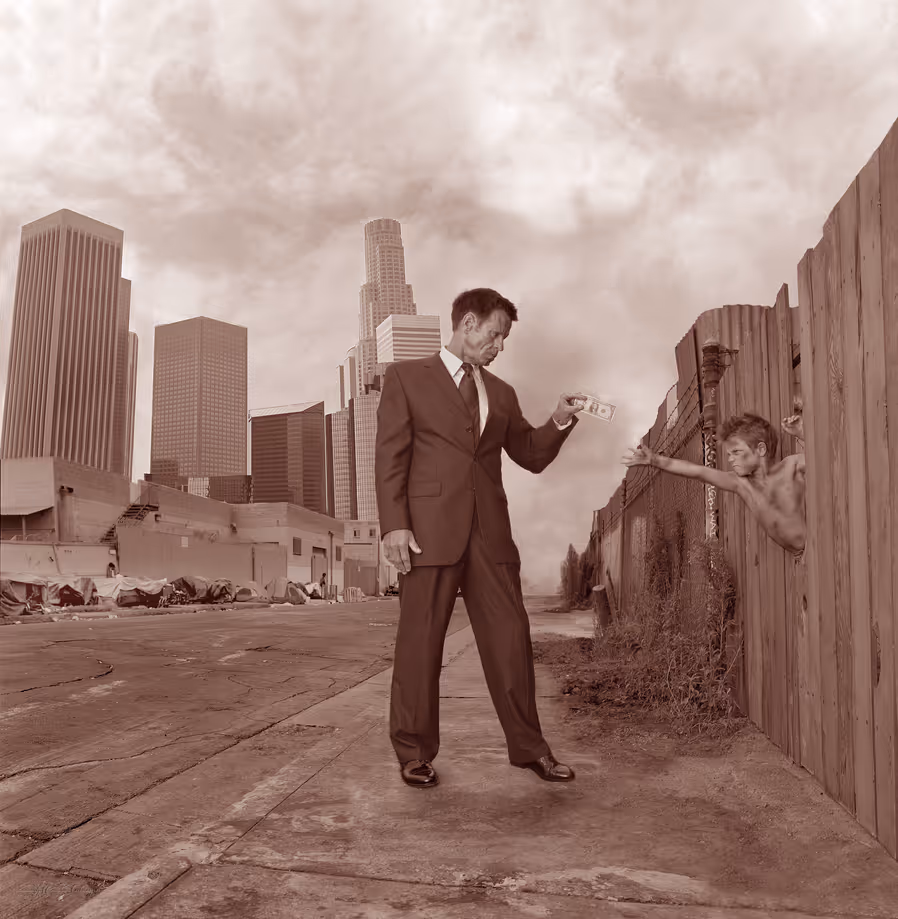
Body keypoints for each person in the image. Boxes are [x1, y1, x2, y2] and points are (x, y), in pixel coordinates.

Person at [375, 287, 585, 789]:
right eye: (495, 335)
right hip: (428, 534)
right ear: (468, 323)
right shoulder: (406, 378)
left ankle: (530, 749)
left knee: (510, 640)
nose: (500, 346)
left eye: (504, 338)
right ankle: (414, 752)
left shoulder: (502, 393)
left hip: (490, 536)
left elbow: (530, 454)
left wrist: (559, 419)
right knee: (420, 645)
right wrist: (395, 524)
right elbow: (391, 457)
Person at [623, 412, 806, 557]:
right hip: (801, 557)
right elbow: (698, 472)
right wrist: (654, 460)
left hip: (816, 545)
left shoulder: (792, 466)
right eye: (729, 454)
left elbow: (820, 456)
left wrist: (802, 433)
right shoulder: (742, 484)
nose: (730, 459)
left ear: (760, 449)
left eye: (736, 452)